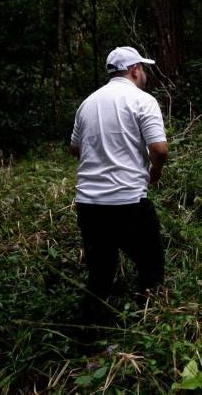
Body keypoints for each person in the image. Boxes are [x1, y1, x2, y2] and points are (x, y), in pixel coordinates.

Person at [70, 46, 168, 316]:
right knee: (151, 265)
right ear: (135, 70)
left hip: (88, 203)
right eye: (143, 68)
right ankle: (148, 319)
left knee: (100, 272)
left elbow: (75, 149)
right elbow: (159, 149)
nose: (145, 73)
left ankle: (90, 334)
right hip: (128, 201)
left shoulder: (87, 103)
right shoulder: (142, 100)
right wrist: (155, 173)